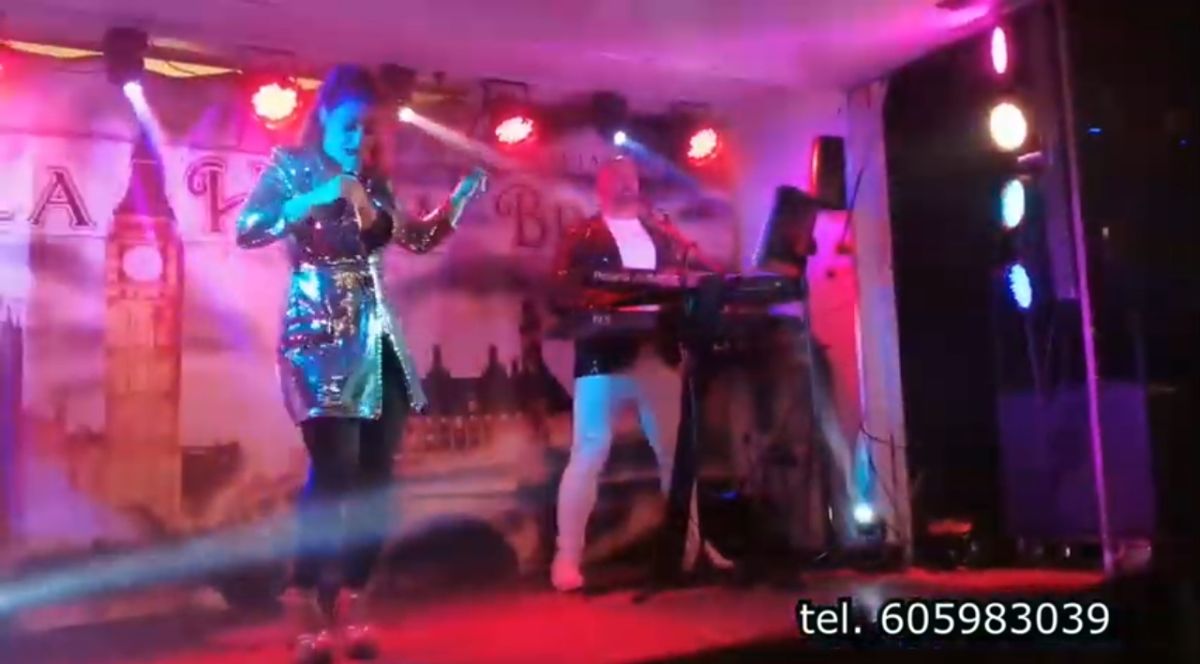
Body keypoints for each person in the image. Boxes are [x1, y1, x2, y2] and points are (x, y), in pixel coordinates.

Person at [236, 65, 486, 663]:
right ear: (325, 116)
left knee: (378, 480)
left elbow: (415, 240)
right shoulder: (292, 167)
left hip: (379, 343)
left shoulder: (375, 183)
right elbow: (248, 229)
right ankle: (304, 596)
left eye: (369, 128)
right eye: (350, 126)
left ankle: (352, 595)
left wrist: (458, 202)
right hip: (320, 339)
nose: (359, 138)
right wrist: (313, 199)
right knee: (335, 471)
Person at [549, 155, 732, 592]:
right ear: (601, 186)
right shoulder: (583, 234)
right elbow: (563, 289)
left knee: (674, 454)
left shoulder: (660, 234)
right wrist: (619, 300)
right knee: (589, 451)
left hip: (656, 352)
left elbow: (682, 283)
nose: (626, 184)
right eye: (617, 178)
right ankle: (567, 557)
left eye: (631, 178)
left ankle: (691, 546)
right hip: (603, 354)